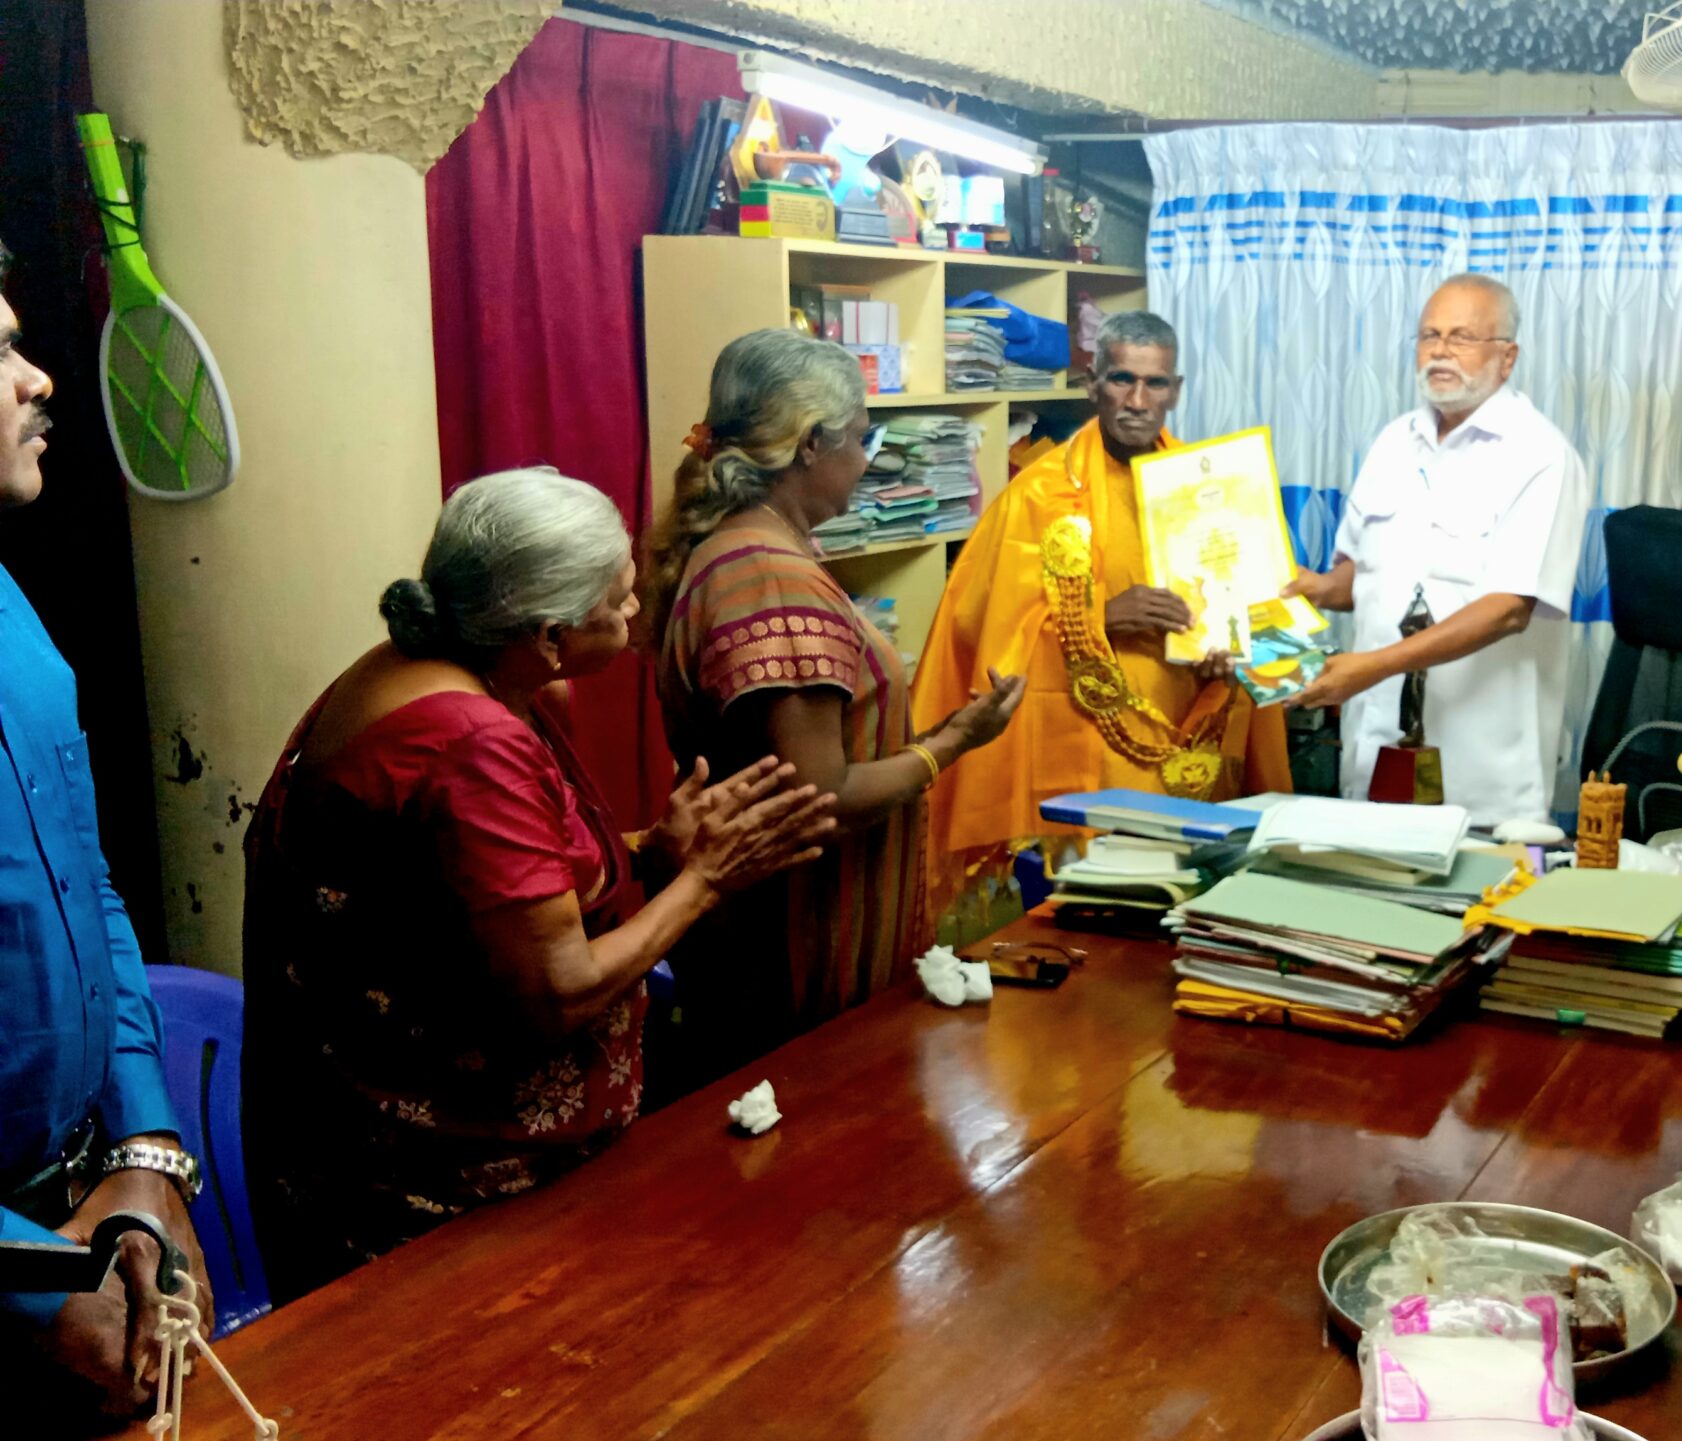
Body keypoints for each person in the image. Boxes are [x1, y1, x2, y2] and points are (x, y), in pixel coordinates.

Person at [244, 469, 833, 1301]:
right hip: (443, 1195)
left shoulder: (430, 667)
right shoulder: (470, 740)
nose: (635, 611)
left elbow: (480, 893)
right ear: (550, 635)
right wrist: (706, 879)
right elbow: (557, 988)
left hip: (416, 1157)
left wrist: (652, 853)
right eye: (618, 601)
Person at [648, 329, 1024, 1078]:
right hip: (800, 951)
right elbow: (820, 797)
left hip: (775, 941)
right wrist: (952, 743)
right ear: (811, 444)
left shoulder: (742, 548)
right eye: (861, 437)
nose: (867, 459)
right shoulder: (772, 579)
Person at [0, 241, 210, 1425]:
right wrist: (30, 1282)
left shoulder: (13, 609)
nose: (40, 379)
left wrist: (142, 1155)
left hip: (83, 1203)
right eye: (1, 354)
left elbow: (92, 891)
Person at [911, 310, 1287, 914]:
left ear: (1175, 391)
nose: (1137, 401)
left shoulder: (1212, 490)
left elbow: (1256, 614)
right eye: (1121, 379)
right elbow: (986, 629)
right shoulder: (1039, 494)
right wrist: (1099, 618)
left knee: (1192, 916)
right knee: (1097, 922)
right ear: (1093, 384)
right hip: (1088, 755)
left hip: (1194, 734)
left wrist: (1234, 654)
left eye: (1155, 383)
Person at [1284, 274, 1593, 828]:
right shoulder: (1393, 442)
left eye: (1462, 337)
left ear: (1507, 357)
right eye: (1429, 335)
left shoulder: (1540, 455)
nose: (1441, 351)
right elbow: (1364, 577)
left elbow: (1509, 608)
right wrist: (1312, 588)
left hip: (1480, 782)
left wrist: (1371, 667)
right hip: (1371, 760)